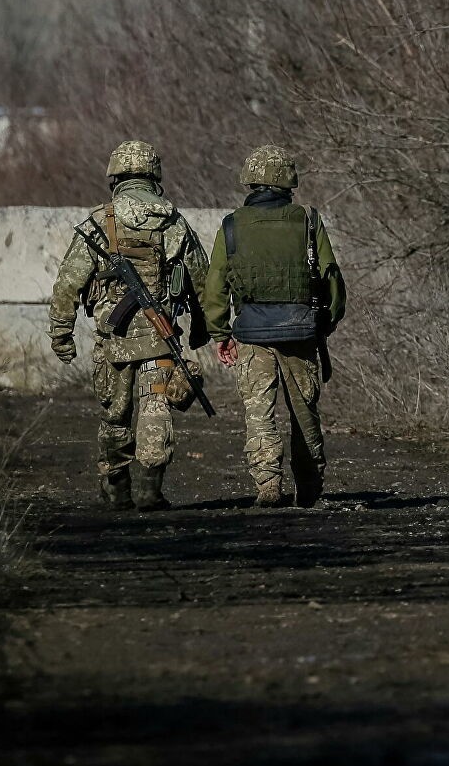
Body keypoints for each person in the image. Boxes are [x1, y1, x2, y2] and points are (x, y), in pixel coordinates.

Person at [48, 140, 210, 511]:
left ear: (115, 175)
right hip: (161, 335)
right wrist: (207, 328)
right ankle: (149, 493)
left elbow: (68, 283)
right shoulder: (173, 222)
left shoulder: (98, 222)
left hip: (113, 339)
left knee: (114, 415)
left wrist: (62, 334)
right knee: (156, 407)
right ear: (154, 175)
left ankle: (116, 493)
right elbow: (202, 280)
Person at [202, 146, 346, 508]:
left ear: (249, 179)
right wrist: (324, 323)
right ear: (289, 181)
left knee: (258, 411)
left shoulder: (232, 225)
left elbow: (215, 285)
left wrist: (220, 334)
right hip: (301, 331)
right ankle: (309, 488)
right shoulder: (309, 220)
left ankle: (268, 485)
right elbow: (332, 280)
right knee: (304, 411)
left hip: (251, 334)